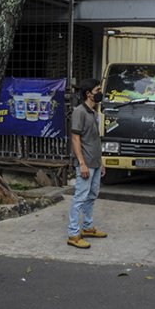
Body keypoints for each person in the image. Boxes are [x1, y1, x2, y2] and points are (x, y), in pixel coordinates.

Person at [67, 78, 108, 249]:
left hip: (95, 162)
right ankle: (73, 234)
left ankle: (87, 227)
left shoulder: (93, 112)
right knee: (80, 198)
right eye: (97, 90)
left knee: (92, 196)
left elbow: (94, 139)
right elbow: (75, 138)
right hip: (86, 163)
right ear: (88, 93)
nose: (100, 92)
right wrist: (82, 163)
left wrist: (101, 162)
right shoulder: (80, 112)